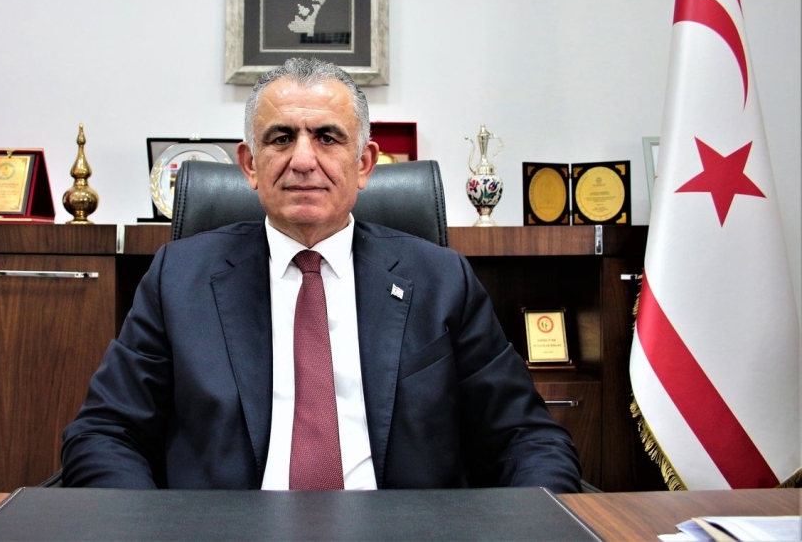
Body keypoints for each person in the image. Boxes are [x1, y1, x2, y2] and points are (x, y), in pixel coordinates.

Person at [61, 57, 582, 493]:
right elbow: (104, 433)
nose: (303, 160)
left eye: (328, 137)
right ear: (249, 164)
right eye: (281, 138)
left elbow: (528, 439)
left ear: (365, 163)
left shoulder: (442, 280)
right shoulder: (179, 279)